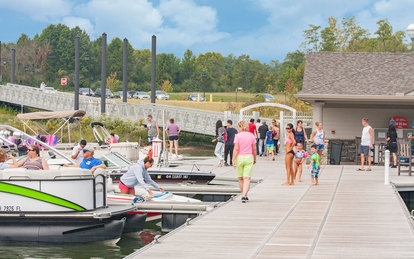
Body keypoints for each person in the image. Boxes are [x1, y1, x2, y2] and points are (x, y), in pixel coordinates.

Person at [232, 121, 256, 203]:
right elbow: (254, 148)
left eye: (238, 127)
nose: (238, 128)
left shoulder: (237, 136)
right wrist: (255, 158)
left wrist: (233, 159)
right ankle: (244, 195)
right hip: (249, 157)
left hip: (239, 158)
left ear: (241, 127)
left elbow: (236, 148)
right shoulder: (251, 135)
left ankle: (244, 194)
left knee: (240, 178)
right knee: (247, 178)